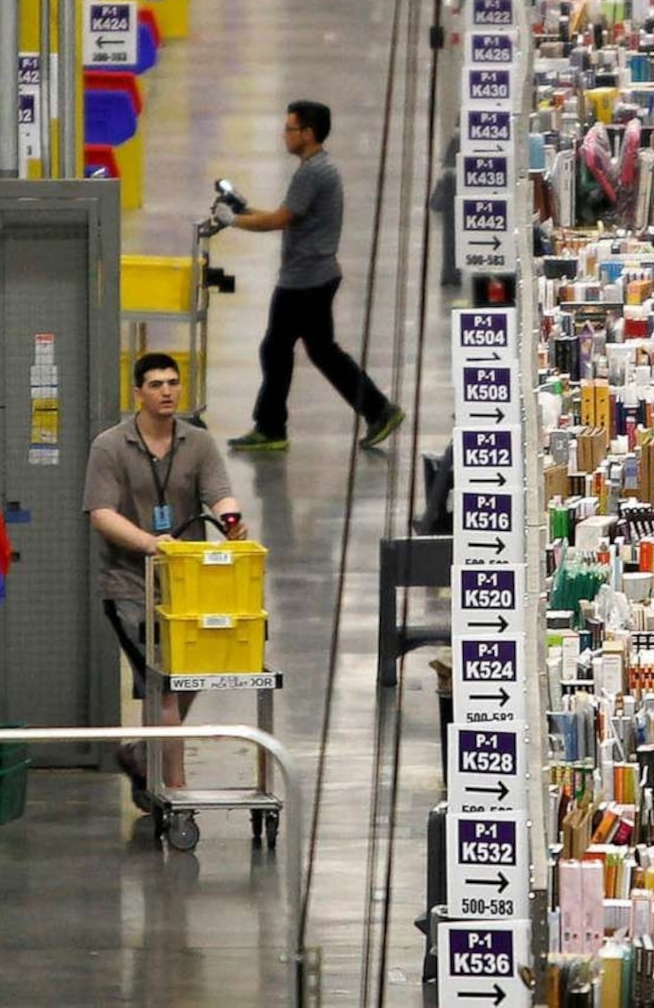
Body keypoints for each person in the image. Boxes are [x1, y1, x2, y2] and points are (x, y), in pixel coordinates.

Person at [85, 352, 243, 811]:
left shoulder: (197, 443)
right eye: (156, 384)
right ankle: (174, 791)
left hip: (187, 585)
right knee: (166, 683)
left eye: (173, 383)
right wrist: (151, 543)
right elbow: (101, 513)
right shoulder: (110, 447)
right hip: (129, 585)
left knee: (192, 673)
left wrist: (231, 519)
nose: (167, 391)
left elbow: (218, 491)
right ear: (138, 393)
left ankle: (142, 754)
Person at [223, 99, 404, 452]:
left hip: (304, 280)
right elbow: (285, 213)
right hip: (314, 276)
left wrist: (233, 222)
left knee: (277, 350)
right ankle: (377, 409)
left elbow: (280, 220)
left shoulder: (313, 172)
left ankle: (273, 427)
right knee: (317, 351)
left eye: (290, 129)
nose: (284, 135)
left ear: (308, 133)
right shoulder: (317, 169)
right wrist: (243, 211)